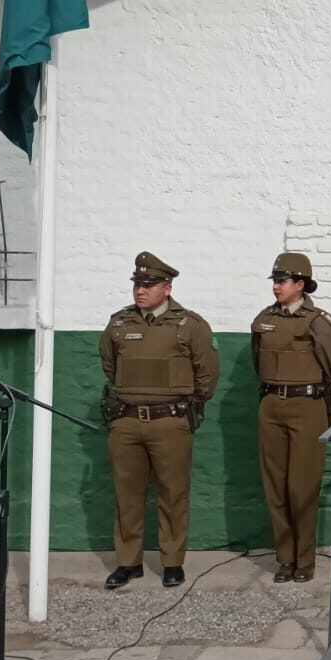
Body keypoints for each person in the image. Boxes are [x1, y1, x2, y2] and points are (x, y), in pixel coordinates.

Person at [98, 252, 220, 589]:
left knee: (173, 493)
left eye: (149, 285)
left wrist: (190, 405)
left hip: (170, 421)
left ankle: (172, 562)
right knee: (127, 494)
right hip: (126, 422)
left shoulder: (190, 325)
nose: (140, 290)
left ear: (167, 288)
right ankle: (128, 562)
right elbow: (109, 365)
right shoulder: (120, 324)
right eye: (137, 284)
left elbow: (206, 371)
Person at [250, 252, 331, 583]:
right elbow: (256, 361)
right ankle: (285, 558)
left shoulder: (319, 322)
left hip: (307, 406)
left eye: (282, 281)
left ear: (300, 284)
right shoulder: (264, 320)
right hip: (271, 405)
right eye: (275, 281)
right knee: (275, 485)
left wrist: (326, 408)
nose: (276, 287)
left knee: (302, 486)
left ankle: (305, 560)